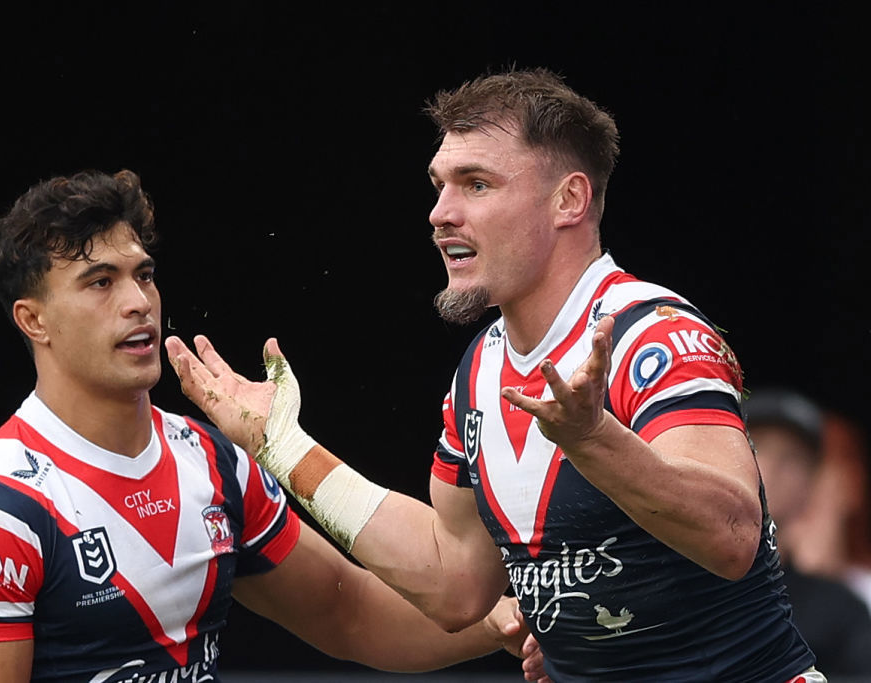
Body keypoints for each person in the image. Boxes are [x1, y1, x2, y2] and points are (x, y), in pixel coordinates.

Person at [165, 68, 823, 681]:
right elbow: (455, 582)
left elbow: (733, 538)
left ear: (569, 199)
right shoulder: (479, 369)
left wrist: (592, 438)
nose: (440, 213)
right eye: (439, 185)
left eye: (476, 184)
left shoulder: (654, 334)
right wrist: (284, 446)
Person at [0, 169, 529, 682]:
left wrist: (513, 622)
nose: (138, 302)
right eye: (100, 282)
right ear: (33, 321)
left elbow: (348, 613)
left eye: (143, 275)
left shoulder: (212, 462)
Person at [745, 387, 871, 678]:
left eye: (792, 458)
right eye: (757, 447)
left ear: (811, 484)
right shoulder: (674, 580)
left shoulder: (840, 609)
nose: (772, 468)